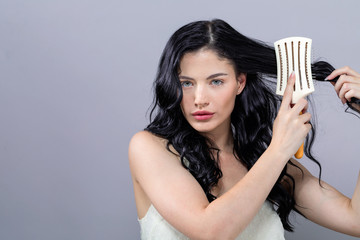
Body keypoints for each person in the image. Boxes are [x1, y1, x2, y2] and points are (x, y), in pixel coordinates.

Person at [128, 19, 360, 240]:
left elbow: (355, 220)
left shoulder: (266, 161)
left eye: (216, 81)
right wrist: (278, 151)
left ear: (240, 82)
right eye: (186, 83)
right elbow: (210, 232)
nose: (199, 99)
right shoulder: (150, 149)